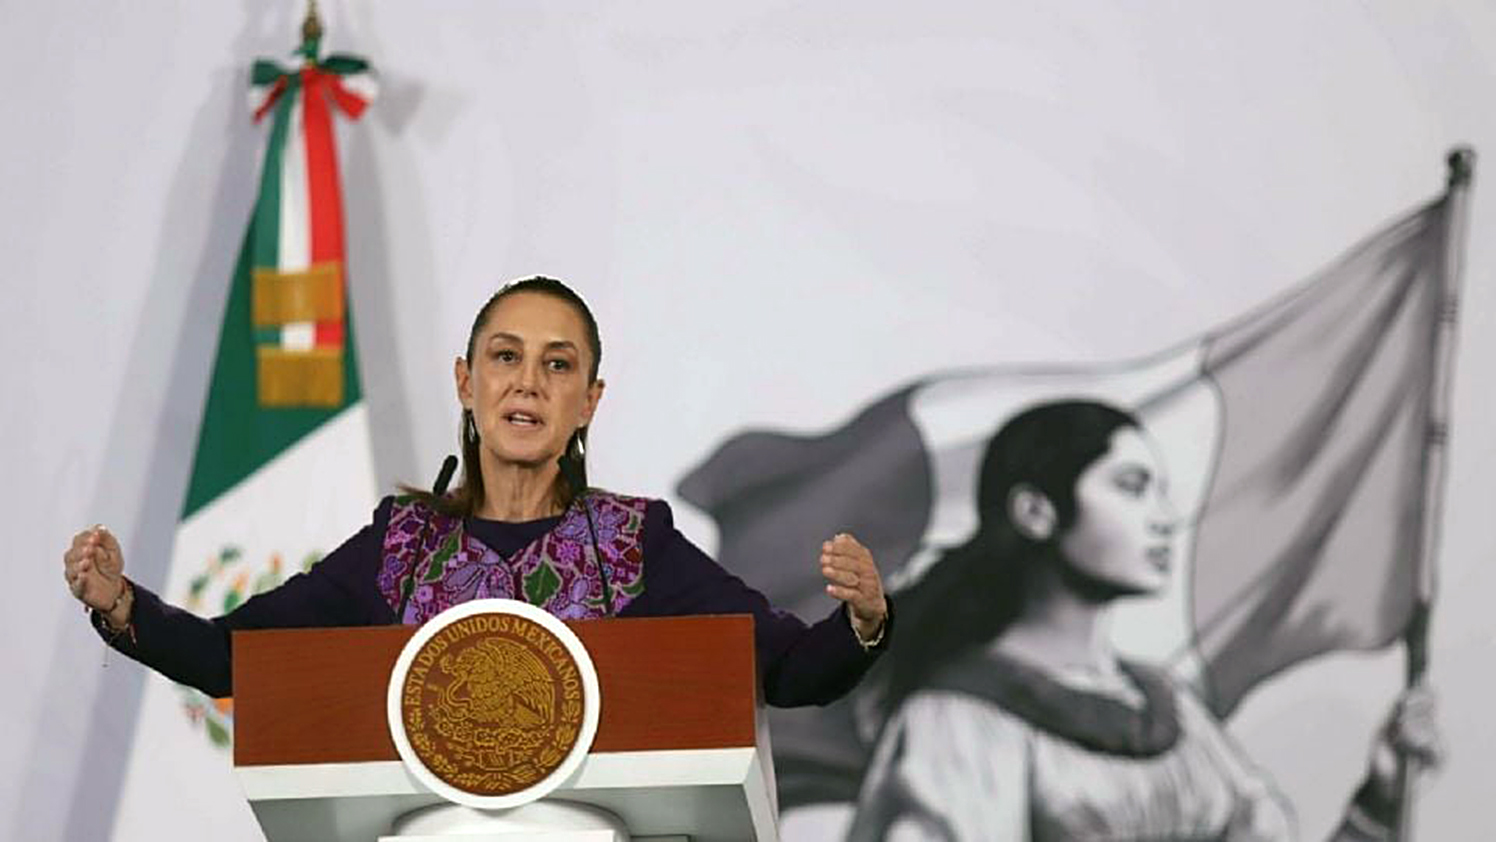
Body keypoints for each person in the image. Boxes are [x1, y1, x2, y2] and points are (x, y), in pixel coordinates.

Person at [62, 276, 890, 707]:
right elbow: (235, 657)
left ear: (589, 400)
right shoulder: (402, 546)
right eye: (505, 357)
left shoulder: (633, 544)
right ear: (467, 382)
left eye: (558, 365)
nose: (528, 382)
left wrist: (863, 624)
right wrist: (123, 604)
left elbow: (784, 671)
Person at [848, 400, 1439, 841]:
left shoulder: (1172, 712)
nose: (1164, 518)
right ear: (1035, 511)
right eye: (1131, 488)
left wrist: (1378, 799)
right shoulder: (960, 720)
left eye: (1161, 492)